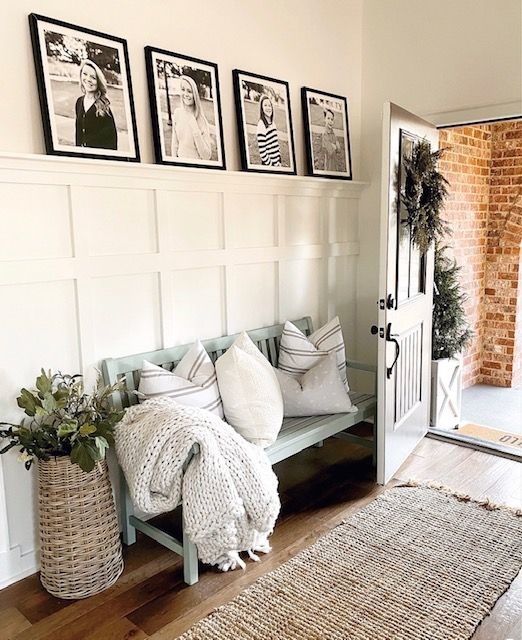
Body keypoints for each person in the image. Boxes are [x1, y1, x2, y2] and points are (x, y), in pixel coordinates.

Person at [75, 59, 117, 150]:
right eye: (85, 74)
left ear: (98, 82)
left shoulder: (104, 107)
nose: (88, 79)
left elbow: (112, 142)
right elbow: (78, 133)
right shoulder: (79, 102)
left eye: (93, 78)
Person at [171, 75, 212, 160]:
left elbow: (207, 156)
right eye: (183, 90)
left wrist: (195, 129)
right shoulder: (177, 113)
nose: (185, 94)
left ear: (195, 94)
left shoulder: (201, 121)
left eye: (189, 91)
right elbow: (175, 144)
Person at [256, 95, 281, 167]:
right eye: (265, 105)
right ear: (262, 108)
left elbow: (276, 144)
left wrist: (279, 160)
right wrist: (272, 165)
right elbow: (262, 153)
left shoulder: (273, 123)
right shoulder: (261, 125)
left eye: (270, 105)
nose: (268, 108)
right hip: (269, 165)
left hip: (277, 162)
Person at [321, 107, 340, 171]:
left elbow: (338, 149)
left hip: (335, 162)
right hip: (329, 164)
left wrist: (335, 145)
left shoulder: (332, 133)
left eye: (332, 119)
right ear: (324, 119)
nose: (330, 121)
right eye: (328, 118)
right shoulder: (325, 134)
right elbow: (331, 151)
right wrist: (334, 145)